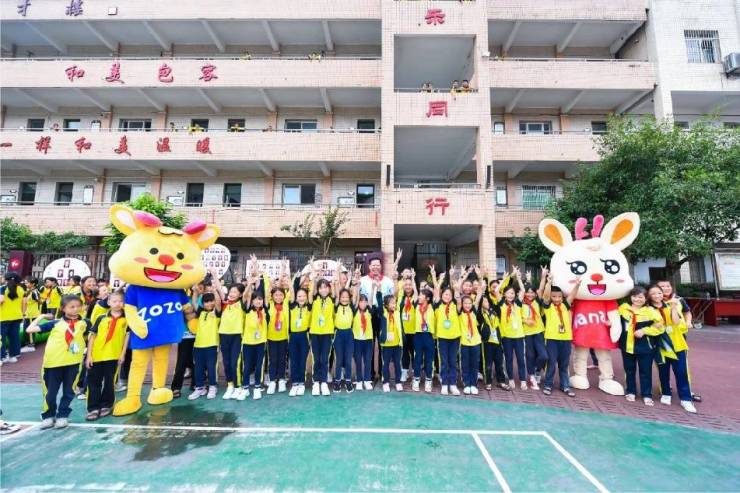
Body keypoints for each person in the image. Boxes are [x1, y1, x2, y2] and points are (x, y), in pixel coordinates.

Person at [26, 295, 91, 430]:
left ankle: (63, 415)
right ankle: (48, 415)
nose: (75, 309)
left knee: (69, 391)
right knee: (50, 392)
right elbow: (29, 329)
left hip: (73, 363)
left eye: (78, 306)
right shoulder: (55, 323)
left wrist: (88, 352)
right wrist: (41, 316)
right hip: (53, 364)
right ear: (63, 308)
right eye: (71, 307)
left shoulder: (85, 323)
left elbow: (92, 336)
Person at [649, 285, 697, 413]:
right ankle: (666, 393)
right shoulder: (648, 309)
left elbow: (676, 322)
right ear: (649, 296)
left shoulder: (670, 305)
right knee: (663, 371)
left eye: (659, 293)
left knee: (681, 371)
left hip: (677, 343)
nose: (657, 296)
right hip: (661, 345)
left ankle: (686, 399)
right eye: (653, 293)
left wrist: (674, 308)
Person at [84, 291, 129, 420]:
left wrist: (122, 354)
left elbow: (127, 337)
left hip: (114, 356)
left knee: (110, 382)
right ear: (109, 302)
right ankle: (93, 407)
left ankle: (106, 405)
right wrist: (89, 355)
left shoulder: (126, 320)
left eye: (120, 301)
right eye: (114, 301)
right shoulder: (101, 318)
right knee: (94, 382)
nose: (117, 304)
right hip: (97, 356)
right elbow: (92, 337)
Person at [618, 287, 664, 406]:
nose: (637, 299)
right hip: (627, 346)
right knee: (629, 370)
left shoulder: (650, 311)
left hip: (645, 347)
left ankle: (647, 394)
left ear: (646, 298)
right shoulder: (623, 308)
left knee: (645, 371)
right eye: (634, 296)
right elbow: (615, 320)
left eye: (640, 297)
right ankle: (631, 391)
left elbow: (660, 325)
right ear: (630, 297)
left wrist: (644, 330)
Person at [657, 279, 701, 403]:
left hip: (678, 338)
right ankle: (665, 390)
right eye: (662, 286)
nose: (666, 288)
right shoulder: (654, 301)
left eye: (668, 286)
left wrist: (688, 322)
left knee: (682, 368)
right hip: (661, 338)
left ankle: (687, 391)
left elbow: (687, 312)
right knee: (662, 367)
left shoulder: (679, 300)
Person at [359, 252, 398, 382]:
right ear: (369, 266)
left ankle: (382, 373)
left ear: (381, 266)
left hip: (382, 314)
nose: (375, 267)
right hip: (369, 314)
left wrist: (395, 279)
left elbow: (394, 295)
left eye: (377, 265)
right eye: (373, 265)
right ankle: (370, 374)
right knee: (369, 345)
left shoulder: (387, 281)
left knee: (382, 344)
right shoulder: (363, 280)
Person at [541, 274, 580, 397]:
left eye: (559, 296)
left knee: (564, 364)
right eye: (554, 296)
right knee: (551, 363)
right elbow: (545, 296)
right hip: (552, 339)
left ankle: (565, 385)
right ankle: (548, 384)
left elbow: (572, 296)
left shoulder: (565, 305)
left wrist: (577, 285)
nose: (557, 299)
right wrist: (548, 283)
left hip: (566, 339)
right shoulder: (548, 306)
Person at [218, 274, 250, 400]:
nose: (232, 293)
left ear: (240, 294)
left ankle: (238, 386)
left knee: (235, 362)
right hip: (223, 335)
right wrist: (215, 275)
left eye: (235, 292)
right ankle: (230, 385)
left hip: (237, 336)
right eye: (231, 291)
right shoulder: (225, 303)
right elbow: (220, 290)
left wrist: (249, 283)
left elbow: (246, 294)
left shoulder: (241, 304)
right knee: (226, 362)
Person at [187, 290, 221, 400]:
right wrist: (195, 291)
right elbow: (194, 301)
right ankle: (200, 388)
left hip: (212, 345)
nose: (209, 303)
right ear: (203, 303)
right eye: (206, 302)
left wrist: (215, 290)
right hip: (198, 345)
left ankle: (212, 387)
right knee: (198, 368)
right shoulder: (200, 312)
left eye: (211, 301)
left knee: (211, 367)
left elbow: (218, 302)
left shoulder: (217, 313)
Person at [497, 267, 527, 390]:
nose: (511, 295)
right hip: (507, 337)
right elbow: (496, 291)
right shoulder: (502, 304)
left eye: (513, 293)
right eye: (509, 293)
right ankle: (510, 379)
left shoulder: (518, 304)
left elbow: (523, 290)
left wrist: (518, 278)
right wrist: (504, 280)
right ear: (505, 294)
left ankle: (523, 380)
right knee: (508, 359)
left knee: (520, 359)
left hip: (519, 336)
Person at [432, 268, 461, 396]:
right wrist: (436, 277)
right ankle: (444, 384)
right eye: (445, 294)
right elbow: (436, 290)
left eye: (449, 295)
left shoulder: (455, 304)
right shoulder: (438, 305)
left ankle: (453, 384)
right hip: (442, 337)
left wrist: (452, 276)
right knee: (444, 362)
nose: (447, 296)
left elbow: (457, 292)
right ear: (442, 295)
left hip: (454, 337)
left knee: (453, 361)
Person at [310, 264, 337, 396]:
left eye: (325, 287)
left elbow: (336, 292)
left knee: (325, 358)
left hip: (327, 333)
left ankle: (324, 382)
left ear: (329, 288)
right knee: (316, 358)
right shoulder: (314, 299)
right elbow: (312, 291)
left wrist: (336, 273)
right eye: (321, 287)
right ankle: (316, 382)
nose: (323, 290)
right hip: (315, 333)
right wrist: (315, 276)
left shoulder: (332, 299)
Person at [240, 279, 268, 401]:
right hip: (248, 343)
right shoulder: (248, 310)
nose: (258, 301)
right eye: (255, 299)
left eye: (260, 299)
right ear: (252, 301)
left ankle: (257, 387)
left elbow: (267, 293)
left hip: (260, 343)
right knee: (247, 366)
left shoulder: (265, 310)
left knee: (258, 365)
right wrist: (250, 284)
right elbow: (245, 296)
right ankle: (245, 388)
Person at [266, 261, 291, 395]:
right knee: (273, 360)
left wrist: (283, 269)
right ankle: (272, 381)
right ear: (272, 296)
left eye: (280, 295)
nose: (278, 297)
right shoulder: (269, 304)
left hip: (283, 337)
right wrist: (271, 285)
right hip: (271, 337)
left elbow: (282, 286)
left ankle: (281, 379)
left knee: (282, 359)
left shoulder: (286, 303)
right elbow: (268, 292)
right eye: (276, 295)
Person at [522, 271, 548, 390]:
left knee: (543, 356)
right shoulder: (521, 303)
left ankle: (537, 370)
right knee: (530, 355)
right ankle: (532, 377)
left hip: (538, 332)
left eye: (532, 292)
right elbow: (517, 317)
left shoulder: (537, 302)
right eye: (528, 292)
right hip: (527, 333)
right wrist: (525, 321)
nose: (530, 294)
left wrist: (543, 276)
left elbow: (541, 289)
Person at [479, 295, 510, 391]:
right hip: (487, 342)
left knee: (499, 363)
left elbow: (498, 303)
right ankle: (488, 382)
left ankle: (501, 382)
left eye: (487, 301)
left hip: (497, 341)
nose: (486, 303)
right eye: (484, 301)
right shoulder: (480, 315)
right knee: (487, 364)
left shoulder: (494, 312)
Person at [460, 282, 485, 394]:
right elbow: (457, 298)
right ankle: (466, 383)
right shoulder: (460, 313)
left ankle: (473, 384)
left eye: (469, 303)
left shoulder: (474, 311)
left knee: (475, 364)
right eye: (465, 303)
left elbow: (478, 298)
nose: (467, 305)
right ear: (462, 304)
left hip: (475, 342)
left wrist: (481, 287)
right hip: (464, 342)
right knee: (465, 364)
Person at [332, 266, 355, 393]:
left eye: (346, 297)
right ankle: (337, 381)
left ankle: (348, 381)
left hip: (349, 334)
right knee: (339, 358)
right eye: (342, 297)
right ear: (339, 298)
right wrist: (337, 272)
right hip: (339, 334)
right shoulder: (336, 306)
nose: (344, 299)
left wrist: (351, 279)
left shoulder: (351, 306)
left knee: (348, 359)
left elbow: (352, 293)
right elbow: (337, 291)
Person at [376, 287, 403, 392]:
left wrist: (399, 289)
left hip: (397, 344)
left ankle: (398, 382)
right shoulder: (383, 313)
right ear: (386, 305)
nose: (394, 305)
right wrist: (378, 291)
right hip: (386, 345)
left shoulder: (397, 312)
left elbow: (399, 297)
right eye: (391, 303)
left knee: (397, 363)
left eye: (394, 303)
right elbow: (379, 303)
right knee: (385, 364)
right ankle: (385, 382)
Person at [288, 279, 312, 396]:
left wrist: (313, 277)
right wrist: (290, 283)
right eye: (299, 296)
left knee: (302, 360)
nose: (301, 298)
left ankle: (302, 383)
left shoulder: (309, 307)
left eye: (303, 296)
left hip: (304, 336)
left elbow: (311, 292)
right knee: (294, 360)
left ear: (306, 297)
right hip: (293, 336)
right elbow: (292, 292)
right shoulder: (292, 306)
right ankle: (295, 383)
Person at [396, 271, 417, 384]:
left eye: (410, 285)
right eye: (406, 285)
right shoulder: (400, 297)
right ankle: (404, 371)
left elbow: (417, 296)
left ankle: (415, 373)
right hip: (403, 330)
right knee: (404, 352)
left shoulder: (416, 297)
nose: (408, 286)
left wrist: (413, 279)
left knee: (414, 353)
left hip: (414, 330)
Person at [1, 273, 25, 363]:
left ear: (6, 279)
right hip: (17, 316)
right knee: (14, 336)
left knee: (1, 338)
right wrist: (23, 314)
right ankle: (14, 355)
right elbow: (24, 303)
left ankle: (1, 357)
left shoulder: (3, 288)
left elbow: (1, 300)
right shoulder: (21, 289)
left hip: (3, 317)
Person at [21, 276, 41, 353]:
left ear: (33, 284)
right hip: (27, 314)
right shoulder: (27, 291)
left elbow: (40, 301)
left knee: (30, 330)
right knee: (25, 329)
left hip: (32, 314)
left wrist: (35, 301)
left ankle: (31, 345)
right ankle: (27, 343)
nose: (25, 284)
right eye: (25, 282)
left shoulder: (34, 292)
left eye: (27, 283)